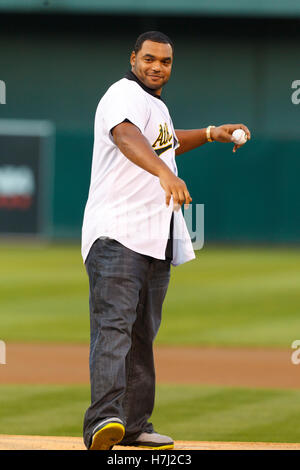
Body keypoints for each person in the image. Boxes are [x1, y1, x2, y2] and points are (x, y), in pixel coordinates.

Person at [81, 31, 251, 451]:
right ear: (134, 58)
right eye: (150, 58)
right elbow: (126, 137)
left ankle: (135, 425)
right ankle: (103, 422)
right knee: (114, 329)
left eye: (166, 61)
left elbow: (168, 143)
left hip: (154, 239)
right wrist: (164, 174)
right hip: (117, 235)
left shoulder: (155, 105)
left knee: (142, 336)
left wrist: (212, 132)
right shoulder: (121, 95)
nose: (158, 66)